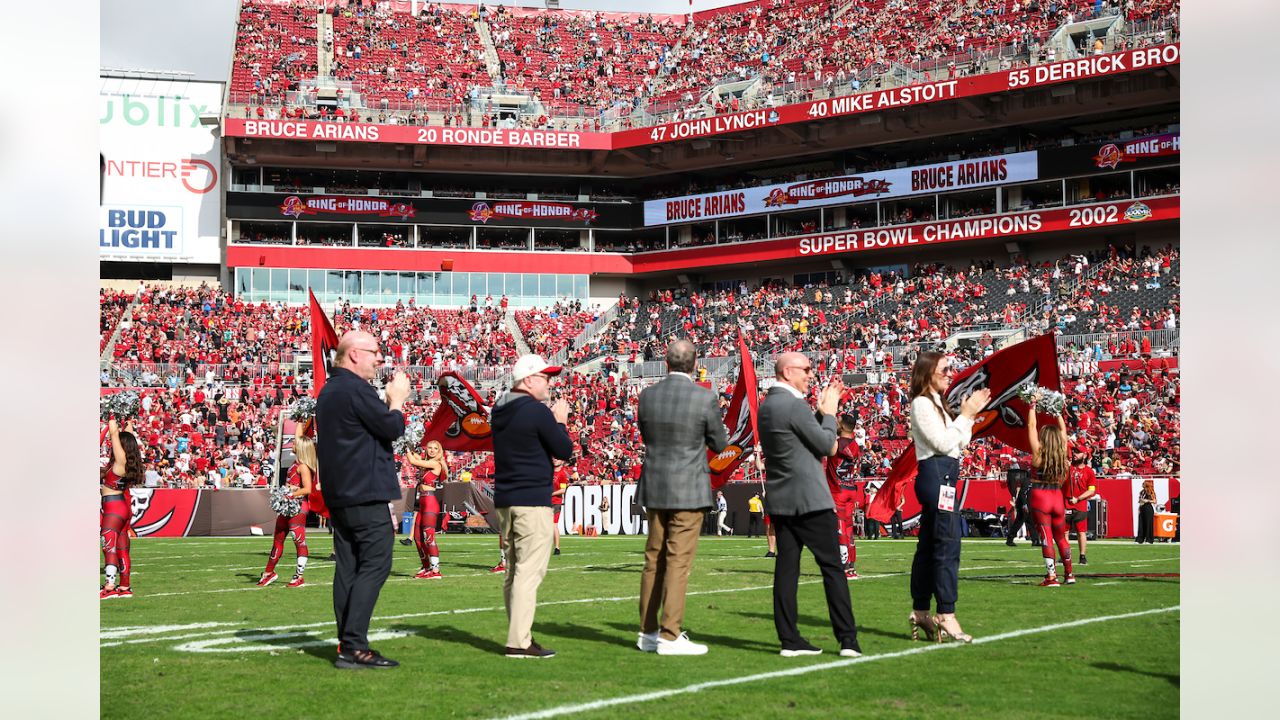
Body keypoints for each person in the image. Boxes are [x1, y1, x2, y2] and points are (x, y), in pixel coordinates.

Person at [316, 330, 410, 670]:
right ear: (354, 354)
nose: (379, 360)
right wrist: (396, 401)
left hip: (341, 493)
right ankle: (354, 644)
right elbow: (390, 428)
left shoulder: (331, 389)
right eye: (375, 353)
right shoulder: (354, 389)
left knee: (348, 567)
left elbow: (364, 431)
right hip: (364, 492)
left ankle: (347, 642)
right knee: (375, 563)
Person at [759, 352, 861, 658]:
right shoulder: (792, 404)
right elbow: (827, 445)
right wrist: (829, 413)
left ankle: (789, 639)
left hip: (782, 498)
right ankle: (848, 640)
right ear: (788, 371)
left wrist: (819, 415)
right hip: (810, 500)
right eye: (805, 369)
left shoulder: (769, 406)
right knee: (833, 568)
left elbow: (799, 440)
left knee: (786, 569)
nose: (810, 374)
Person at [635, 338, 729, 655]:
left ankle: (647, 632)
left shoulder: (648, 396)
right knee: (678, 562)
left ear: (666, 362)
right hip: (688, 486)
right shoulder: (704, 398)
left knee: (653, 559)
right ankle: (669, 634)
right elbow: (719, 442)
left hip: (656, 483)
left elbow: (647, 437)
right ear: (695, 363)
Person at [491, 353, 573, 659]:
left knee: (513, 570)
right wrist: (560, 421)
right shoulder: (537, 412)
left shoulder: (500, 409)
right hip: (532, 499)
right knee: (528, 572)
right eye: (544, 376)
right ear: (528, 380)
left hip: (506, 498)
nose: (549, 382)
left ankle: (520, 634)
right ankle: (519, 641)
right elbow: (563, 448)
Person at [907, 351, 990, 644]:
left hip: (943, 474)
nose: (949, 373)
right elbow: (944, 443)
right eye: (944, 369)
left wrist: (967, 417)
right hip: (937, 475)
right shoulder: (921, 404)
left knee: (930, 544)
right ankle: (946, 613)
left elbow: (959, 441)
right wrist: (966, 416)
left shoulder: (936, 404)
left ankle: (920, 610)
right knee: (947, 543)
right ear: (928, 372)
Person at [1027, 396, 1075, 587]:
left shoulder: (1039, 453)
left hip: (1040, 495)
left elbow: (1031, 426)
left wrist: (1032, 405)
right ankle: (1070, 574)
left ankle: (1051, 577)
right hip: (1057, 495)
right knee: (1061, 537)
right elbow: (1063, 431)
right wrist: (1056, 413)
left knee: (1046, 536)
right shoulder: (1062, 451)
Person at [257, 434, 315, 588]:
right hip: (287, 505)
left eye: (295, 443)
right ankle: (269, 573)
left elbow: (308, 489)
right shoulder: (294, 464)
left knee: (299, 541)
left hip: (298, 506)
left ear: (301, 448)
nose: (292, 445)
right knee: (278, 539)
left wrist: (292, 493)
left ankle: (299, 576)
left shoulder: (303, 467)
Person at [101, 417, 142, 599]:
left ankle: (109, 586)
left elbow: (114, 433)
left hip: (113, 506)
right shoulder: (128, 462)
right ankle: (125, 586)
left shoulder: (120, 461)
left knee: (109, 546)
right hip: (123, 506)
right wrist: (129, 420)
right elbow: (126, 434)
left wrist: (111, 416)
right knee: (122, 547)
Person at [824, 414, 860, 579]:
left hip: (837, 489)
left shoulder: (837, 443)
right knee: (849, 528)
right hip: (850, 488)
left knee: (840, 528)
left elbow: (827, 450)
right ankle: (851, 566)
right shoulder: (856, 445)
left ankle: (844, 567)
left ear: (844, 426)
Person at [406, 440, 448, 579]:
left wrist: (405, 448)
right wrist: (410, 447)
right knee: (418, 538)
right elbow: (417, 458)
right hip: (422, 501)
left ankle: (436, 571)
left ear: (439, 451)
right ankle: (426, 567)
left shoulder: (436, 464)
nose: (431, 450)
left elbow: (413, 461)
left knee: (429, 537)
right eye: (429, 447)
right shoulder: (427, 461)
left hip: (430, 501)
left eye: (435, 448)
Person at [1064, 451, 1097, 564]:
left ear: (1084, 455)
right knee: (1064, 532)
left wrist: (1078, 499)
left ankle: (1082, 556)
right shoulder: (1068, 467)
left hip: (1080, 505)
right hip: (1066, 502)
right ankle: (1066, 556)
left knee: (1081, 532)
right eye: (1074, 452)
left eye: (1078, 453)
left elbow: (1091, 490)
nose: (1074, 454)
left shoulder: (1089, 472)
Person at [1004, 466, 1035, 547]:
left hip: (1026, 505)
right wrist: (1024, 505)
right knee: (1019, 522)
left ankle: (1035, 540)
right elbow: (1022, 494)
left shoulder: (1031, 482)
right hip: (1023, 505)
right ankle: (1009, 539)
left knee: (1030, 522)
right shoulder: (1028, 482)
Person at [552, 458, 569, 555]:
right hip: (545, 501)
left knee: (553, 524)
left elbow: (563, 490)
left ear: (562, 461)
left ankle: (557, 548)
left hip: (555, 502)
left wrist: (551, 493)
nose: (554, 460)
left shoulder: (562, 474)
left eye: (557, 459)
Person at [1136, 479, 1157, 544]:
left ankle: (1149, 539)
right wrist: (1140, 503)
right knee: (1141, 524)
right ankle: (1140, 539)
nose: (1142, 485)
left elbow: (1154, 501)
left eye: (1144, 484)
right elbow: (1140, 499)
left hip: (1148, 508)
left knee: (1148, 524)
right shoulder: (1142, 492)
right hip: (1142, 507)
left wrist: (1147, 501)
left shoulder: (1150, 492)